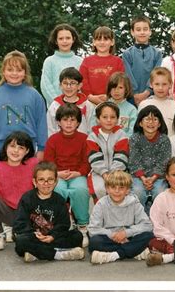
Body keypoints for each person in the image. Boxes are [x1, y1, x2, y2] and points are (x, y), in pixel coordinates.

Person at [0, 50, 47, 165]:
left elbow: (41, 123)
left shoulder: (34, 95)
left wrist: (41, 149)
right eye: (10, 70)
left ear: (25, 72)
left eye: (19, 70)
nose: (14, 74)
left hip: (27, 145)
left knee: (26, 180)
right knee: (3, 179)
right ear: (3, 71)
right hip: (1, 145)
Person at [13, 161, 85, 262]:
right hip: (34, 237)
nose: (46, 184)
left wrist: (52, 236)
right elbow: (19, 223)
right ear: (34, 182)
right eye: (41, 180)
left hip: (53, 237)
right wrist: (35, 234)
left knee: (77, 236)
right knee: (21, 241)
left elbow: (64, 224)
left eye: (50, 180)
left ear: (56, 181)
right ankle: (58, 254)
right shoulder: (27, 198)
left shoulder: (59, 200)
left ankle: (37, 253)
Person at [0, 131, 38, 251]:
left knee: (27, 241)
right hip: (7, 211)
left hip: (29, 213)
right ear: (5, 147)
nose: (15, 151)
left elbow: (46, 178)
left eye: (20, 148)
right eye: (12, 146)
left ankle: (15, 229)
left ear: (27, 151)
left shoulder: (33, 163)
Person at [44, 103, 91, 246]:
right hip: (58, 175)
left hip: (77, 174)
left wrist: (78, 173)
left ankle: (82, 225)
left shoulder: (85, 139)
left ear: (78, 122)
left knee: (80, 190)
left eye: (72, 120)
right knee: (58, 190)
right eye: (65, 120)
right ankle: (62, 223)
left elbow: (87, 161)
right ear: (58, 122)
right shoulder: (53, 140)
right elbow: (48, 161)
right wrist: (57, 173)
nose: (69, 123)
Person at [88, 170, 154, 264]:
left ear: (127, 190)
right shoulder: (101, 204)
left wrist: (126, 233)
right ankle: (134, 251)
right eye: (113, 187)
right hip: (110, 238)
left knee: (149, 236)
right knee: (95, 241)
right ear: (107, 189)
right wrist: (113, 234)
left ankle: (115, 255)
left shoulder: (134, 202)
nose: (117, 191)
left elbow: (147, 225)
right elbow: (93, 229)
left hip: (128, 237)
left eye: (121, 188)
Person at [128, 105, 171, 210]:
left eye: (155, 119)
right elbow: (134, 161)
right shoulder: (134, 139)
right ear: (140, 123)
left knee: (160, 192)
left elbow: (164, 162)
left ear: (160, 123)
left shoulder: (164, 139)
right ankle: (140, 219)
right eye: (147, 119)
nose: (151, 122)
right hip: (138, 177)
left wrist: (153, 178)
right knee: (138, 192)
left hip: (158, 177)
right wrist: (143, 178)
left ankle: (158, 219)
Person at [87, 101, 129, 200]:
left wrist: (113, 174)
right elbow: (94, 158)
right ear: (98, 119)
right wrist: (104, 173)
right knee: (99, 189)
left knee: (118, 190)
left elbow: (121, 156)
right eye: (105, 117)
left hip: (119, 171)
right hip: (99, 172)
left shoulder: (121, 135)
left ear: (118, 119)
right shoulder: (92, 137)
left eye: (113, 117)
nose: (109, 120)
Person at [122, 15, 162, 106]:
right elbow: (128, 75)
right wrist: (135, 94)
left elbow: (156, 74)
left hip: (151, 96)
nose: (142, 32)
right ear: (132, 32)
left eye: (145, 29)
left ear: (150, 31)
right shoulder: (127, 54)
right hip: (131, 97)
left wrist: (147, 92)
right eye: (138, 29)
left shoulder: (157, 54)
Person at [40, 23, 84, 107]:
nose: (64, 41)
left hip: (77, 110)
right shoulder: (49, 61)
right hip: (56, 110)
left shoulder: (80, 61)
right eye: (61, 38)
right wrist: (59, 104)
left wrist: (75, 105)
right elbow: (46, 86)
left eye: (68, 38)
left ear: (73, 39)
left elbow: (82, 86)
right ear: (56, 41)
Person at [79, 26, 125, 105]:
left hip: (113, 101)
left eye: (106, 39)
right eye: (99, 39)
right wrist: (90, 97)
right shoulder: (87, 61)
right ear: (94, 42)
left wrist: (110, 96)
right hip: (90, 102)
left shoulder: (118, 61)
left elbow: (121, 82)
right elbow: (83, 81)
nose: (102, 42)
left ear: (112, 42)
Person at [46, 67, 94, 136]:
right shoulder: (54, 106)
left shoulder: (87, 105)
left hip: (82, 145)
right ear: (60, 85)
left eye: (73, 83)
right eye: (65, 83)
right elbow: (50, 129)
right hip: (60, 145)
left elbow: (91, 129)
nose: (68, 87)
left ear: (80, 86)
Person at [138, 67, 175, 136]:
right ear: (151, 85)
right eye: (157, 84)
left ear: (170, 85)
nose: (160, 88)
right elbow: (139, 130)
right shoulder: (144, 105)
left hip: (171, 145)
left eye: (164, 84)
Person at [105, 71, 138, 137]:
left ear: (126, 89)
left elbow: (132, 132)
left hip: (123, 144)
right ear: (109, 89)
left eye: (120, 87)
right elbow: (94, 128)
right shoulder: (101, 107)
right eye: (114, 87)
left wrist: (122, 142)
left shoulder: (132, 110)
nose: (116, 91)